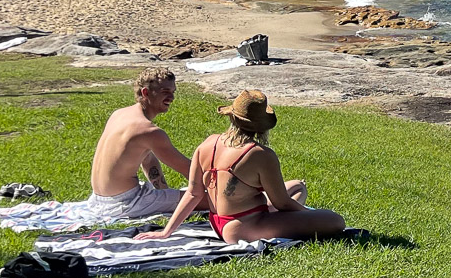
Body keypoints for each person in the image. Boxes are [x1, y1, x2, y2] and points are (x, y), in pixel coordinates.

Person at [138, 90, 345, 243]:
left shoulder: (207, 144)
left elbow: (193, 193)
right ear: (262, 127)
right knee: (335, 221)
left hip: (218, 223)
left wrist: (167, 231)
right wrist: (305, 214)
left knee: (297, 186)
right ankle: (289, 223)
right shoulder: (260, 154)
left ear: (232, 117)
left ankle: (286, 222)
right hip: (244, 227)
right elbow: (282, 203)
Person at [86, 67, 192, 221]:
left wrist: (163, 191)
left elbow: (147, 159)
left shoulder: (119, 114)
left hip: (98, 201)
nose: (171, 97)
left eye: (173, 92)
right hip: (127, 203)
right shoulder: (149, 131)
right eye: (165, 91)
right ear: (145, 93)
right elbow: (189, 170)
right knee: (214, 200)